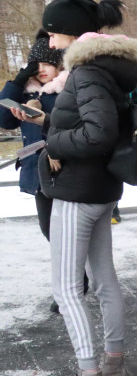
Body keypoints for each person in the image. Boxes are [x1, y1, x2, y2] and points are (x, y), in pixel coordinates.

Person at [28, 0, 137, 376]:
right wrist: (50, 121)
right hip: (101, 188)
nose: (51, 43)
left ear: (71, 30)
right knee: (104, 276)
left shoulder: (88, 71)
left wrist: (52, 140)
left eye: (54, 32)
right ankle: (112, 367)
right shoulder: (107, 66)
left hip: (77, 189)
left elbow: (98, 133)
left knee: (66, 286)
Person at [0, 30, 65, 247]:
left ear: (60, 64)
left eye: (47, 63)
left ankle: (79, 279)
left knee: (69, 234)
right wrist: (18, 82)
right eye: (35, 65)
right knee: (50, 232)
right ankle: (75, 278)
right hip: (38, 173)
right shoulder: (26, 93)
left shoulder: (67, 90)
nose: (41, 70)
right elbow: (4, 120)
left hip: (64, 171)